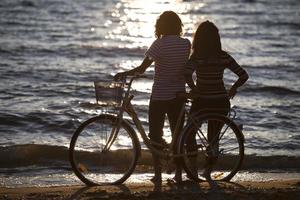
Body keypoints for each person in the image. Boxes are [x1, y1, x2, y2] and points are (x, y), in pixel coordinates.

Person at [114, 11, 191, 183]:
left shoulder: (159, 44)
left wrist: (124, 73)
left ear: (161, 26)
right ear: (178, 26)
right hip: (178, 95)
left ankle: (157, 175)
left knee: (155, 135)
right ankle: (178, 174)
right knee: (177, 135)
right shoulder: (186, 44)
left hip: (159, 96)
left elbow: (141, 69)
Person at [184, 21, 249, 180]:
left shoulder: (197, 56)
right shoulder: (223, 56)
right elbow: (243, 75)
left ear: (198, 38)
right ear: (216, 38)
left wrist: (194, 88)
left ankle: (192, 170)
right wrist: (233, 88)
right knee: (213, 138)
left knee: (189, 134)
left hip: (202, 102)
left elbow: (186, 73)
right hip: (220, 102)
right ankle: (207, 171)